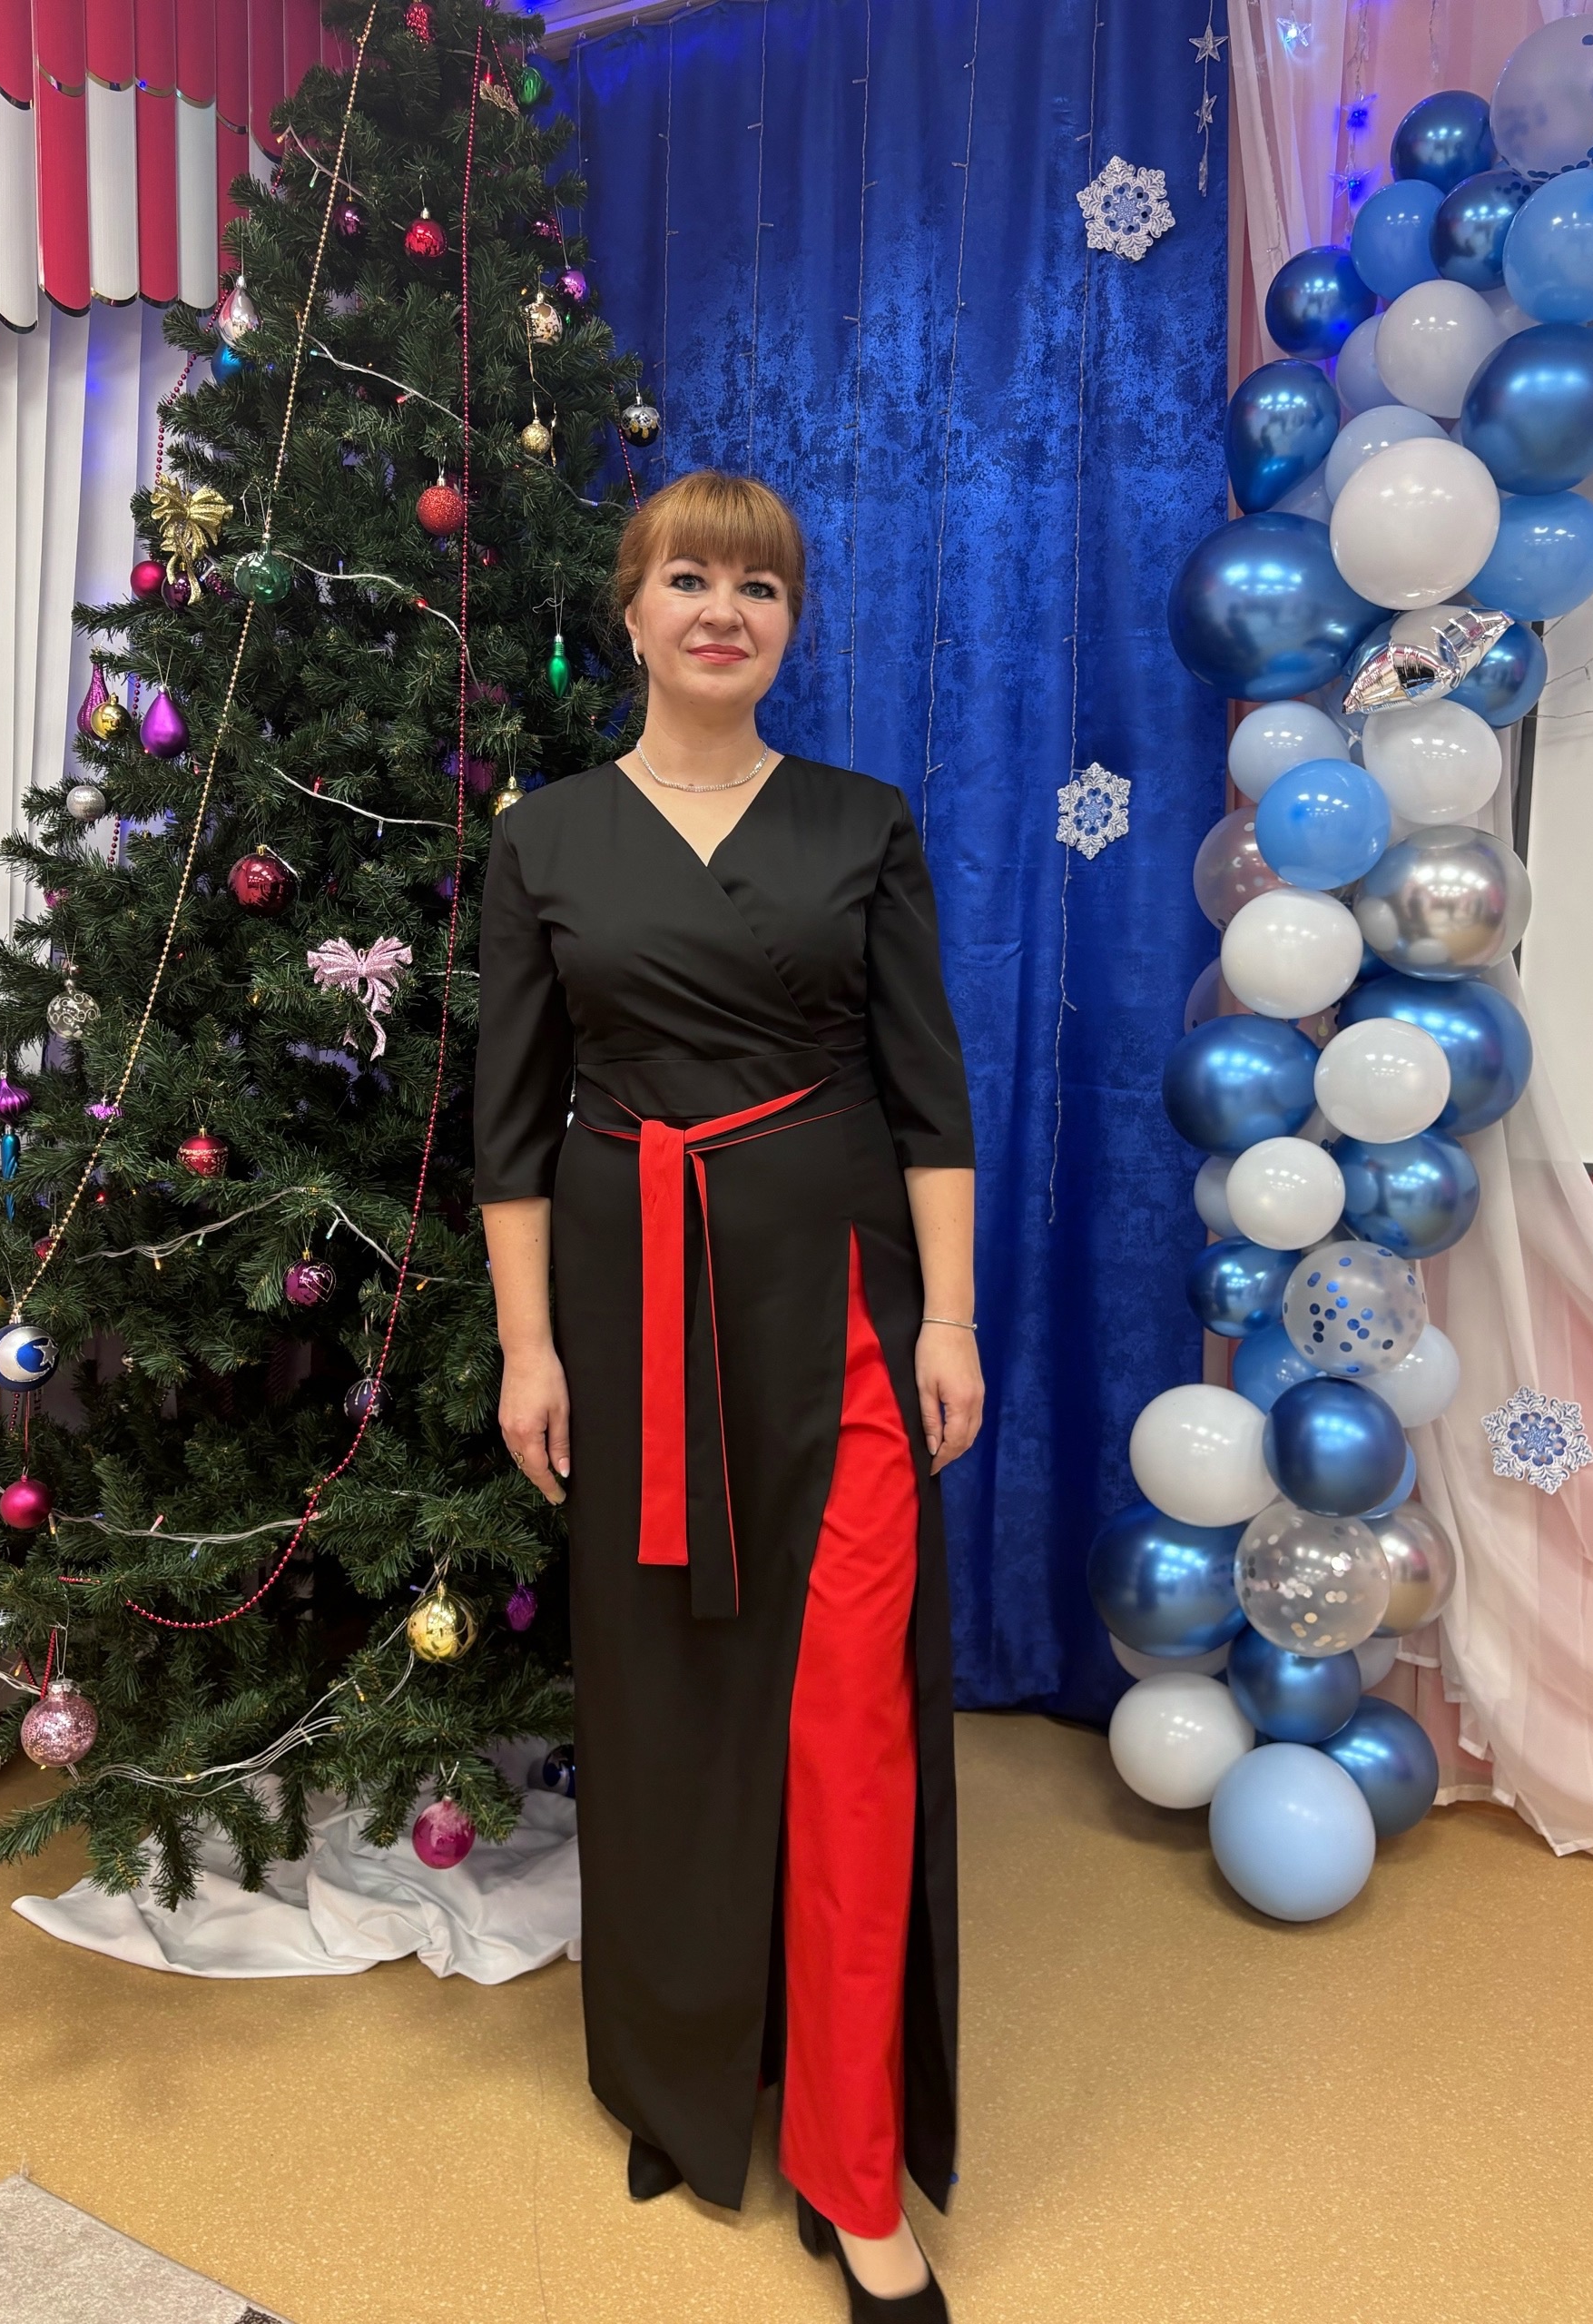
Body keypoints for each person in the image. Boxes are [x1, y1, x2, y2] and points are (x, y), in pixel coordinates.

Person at [475, 470, 981, 2321]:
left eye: (758, 587)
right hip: (627, 1305)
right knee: (668, 1691)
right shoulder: (543, 838)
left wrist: (952, 1320)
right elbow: (509, 1127)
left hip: (840, 1300)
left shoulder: (863, 822)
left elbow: (929, 1093)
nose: (722, 610)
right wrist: (529, 1347)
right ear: (629, 611)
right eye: (688, 577)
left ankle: (853, 2165)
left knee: (849, 1717)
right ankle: (684, 2070)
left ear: (790, 624)